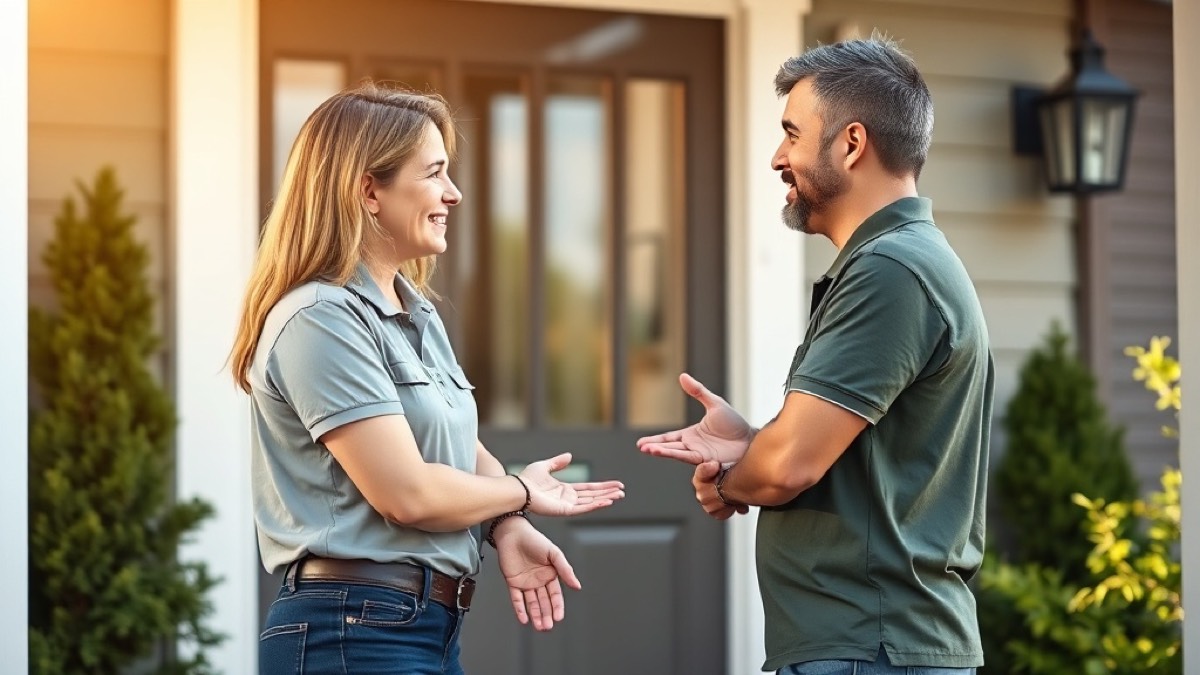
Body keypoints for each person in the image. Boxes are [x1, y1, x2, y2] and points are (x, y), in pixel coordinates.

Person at [229, 82, 625, 675]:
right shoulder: (320, 317)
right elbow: (407, 494)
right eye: (434, 173)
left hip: (421, 629)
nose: (454, 193)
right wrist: (523, 491)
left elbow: (459, 446)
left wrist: (506, 524)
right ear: (368, 190)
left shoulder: (414, 310)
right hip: (350, 632)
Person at [639, 36, 994, 674]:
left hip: (872, 647)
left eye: (792, 134)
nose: (778, 157)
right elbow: (816, 452)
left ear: (851, 143)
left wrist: (734, 476)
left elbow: (787, 468)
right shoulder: (898, 262)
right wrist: (753, 443)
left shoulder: (891, 270)